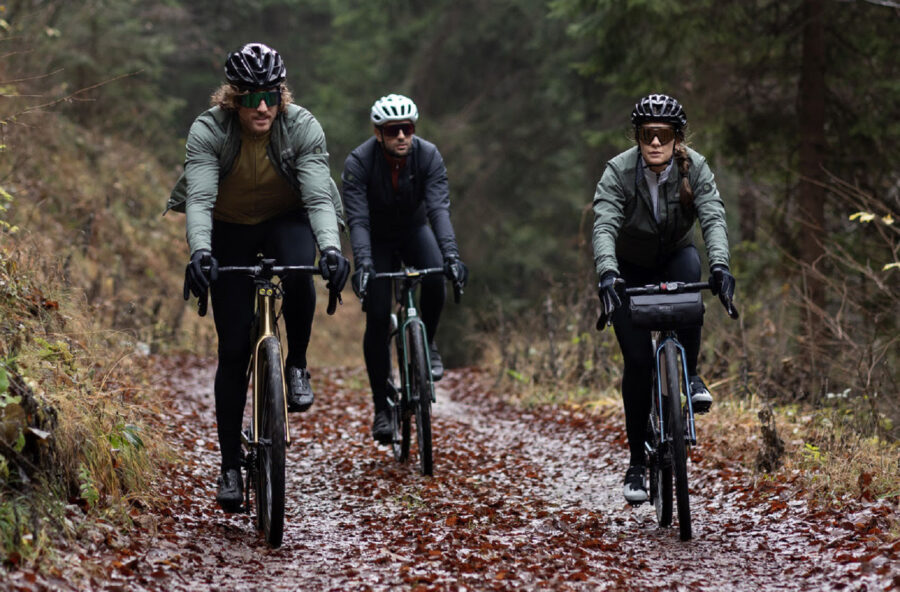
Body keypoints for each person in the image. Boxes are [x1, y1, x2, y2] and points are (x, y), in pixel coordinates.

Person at [167, 42, 350, 512]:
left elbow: (317, 197)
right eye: (250, 97)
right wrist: (202, 252)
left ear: (281, 94)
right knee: (231, 350)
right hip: (228, 227)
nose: (262, 106)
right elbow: (201, 200)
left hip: (284, 218)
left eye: (269, 95)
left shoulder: (301, 126)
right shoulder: (210, 130)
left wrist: (330, 247)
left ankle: (297, 363)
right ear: (233, 99)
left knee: (299, 274)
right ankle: (230, 465)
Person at [591, 93, 736, 504]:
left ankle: (688, 375)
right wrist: (607, 273)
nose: (655, 142)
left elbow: (713, 217)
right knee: (637, 363)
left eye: (664, 134)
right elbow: (604, 224)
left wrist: (721, 267)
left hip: (675, 255)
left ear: (677, 138)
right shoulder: (618, 171)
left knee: (692, 276)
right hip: (628, 267)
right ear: (637, 137)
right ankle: (637, 461)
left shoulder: (697, 168)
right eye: (647, 134)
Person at [341, 93, 468, 445]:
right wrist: (364, 263)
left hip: (414, 229)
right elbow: (358, 220)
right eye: (393, 130)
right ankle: (382, 408)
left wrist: (452, 257)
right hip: (377, 239)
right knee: (378, 316)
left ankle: (427, 341)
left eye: (407, 129)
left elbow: (439, 210)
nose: (401, 136)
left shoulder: (428, 155)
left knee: (436, 278)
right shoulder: (359, 162)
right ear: (378, 133)